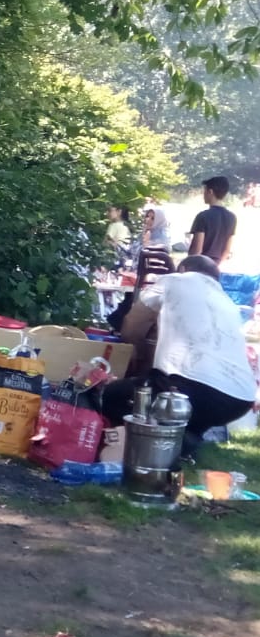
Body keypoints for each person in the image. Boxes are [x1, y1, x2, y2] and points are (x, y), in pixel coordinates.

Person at [102, 255, 256, 457]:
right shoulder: (227, 302)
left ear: (182, 269)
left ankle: (147, 443)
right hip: (240, 399)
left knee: (112, 395)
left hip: (191, 388)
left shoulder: (173, 280)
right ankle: (186, 439)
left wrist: (136, 351)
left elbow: (133, 324)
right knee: (186, 413)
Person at [189, 175, 237, 265]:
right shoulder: (232, 217)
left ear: (210, 192)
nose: (203, 195)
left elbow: (197, 250)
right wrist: (216, 266)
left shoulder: (203, 216)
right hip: (216, 265)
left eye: (204, 191)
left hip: (200, 265)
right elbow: (227, 250)